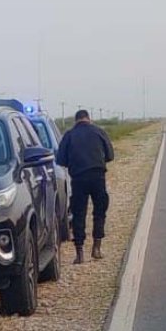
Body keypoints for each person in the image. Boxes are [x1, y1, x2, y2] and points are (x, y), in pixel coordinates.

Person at [56, 110, 115, 264]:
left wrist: (74, 163)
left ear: (76, 120)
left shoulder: (69, 135)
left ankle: (79, 253)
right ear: (89, 118)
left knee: (78, 214)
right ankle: (96, 248)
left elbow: (60, 160)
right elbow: (110, 156)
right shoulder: (99, 132)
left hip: (78, 179)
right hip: (97, 177)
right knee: (100, 212)